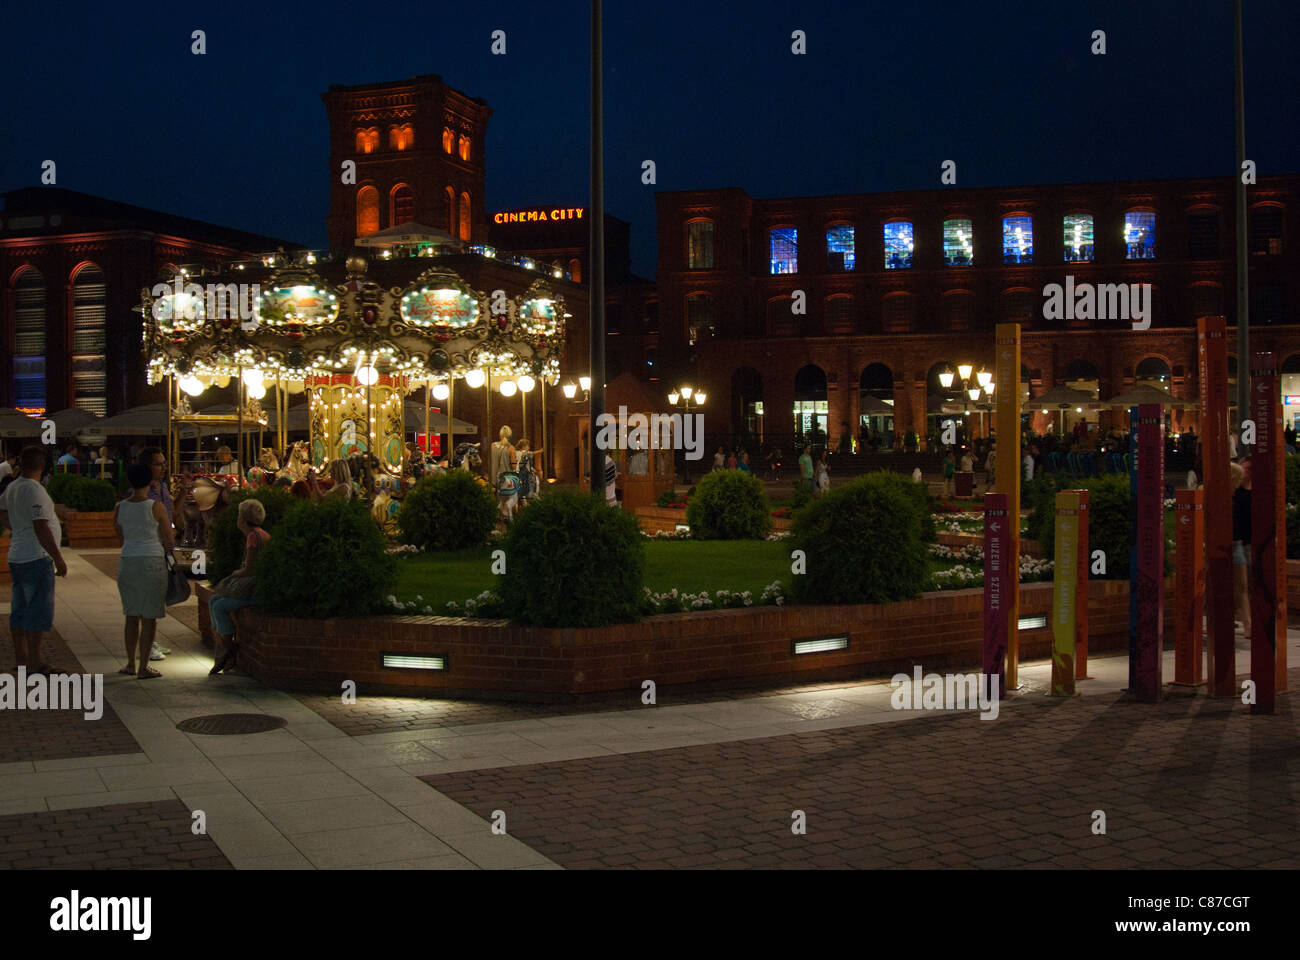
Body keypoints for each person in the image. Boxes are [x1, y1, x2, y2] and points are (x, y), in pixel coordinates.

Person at [0, 447, 68, 673]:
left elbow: (1, 512)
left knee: (20, 608)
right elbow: (41, 526)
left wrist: (17, 527)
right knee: (38, 610)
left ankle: (21, 658)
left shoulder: (13, 487)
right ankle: (34, 662)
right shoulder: (34, 490)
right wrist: (58, 558)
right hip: (36, 557)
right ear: (43, 466)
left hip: (18, 555)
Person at [114, 463, 175, 680]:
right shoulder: (156, 507)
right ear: (150, 481)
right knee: (149, 617)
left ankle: (131, 663)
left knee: (131, 615)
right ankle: (143, 667)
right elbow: (169, 538)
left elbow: (121, 538)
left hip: (128, 561)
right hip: (152, 561)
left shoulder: (120, 507)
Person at [208, 499, 271, 675]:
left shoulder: (253, 537)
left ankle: (229, 648)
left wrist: (235, 573)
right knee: (213, 599)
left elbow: (250, 570)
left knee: (219, 605)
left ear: (243, 519)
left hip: (252, 590)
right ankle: (223, 646)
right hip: (253, 587)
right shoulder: (261, 534)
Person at [1230, 460, 1251, 641]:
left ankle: (1248, 624)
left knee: (1242, 587)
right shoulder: (1219, 496)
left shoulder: (1240, 495)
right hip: (1221, 546)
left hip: (1236, 544)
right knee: (1210, 587)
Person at [491, 425, 517, 522]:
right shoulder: (511, 448)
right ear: (510, 435)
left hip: (494, 478)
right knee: (512, 496)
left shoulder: (493, 445)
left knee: (496, 499)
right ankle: (506, 516)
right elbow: (514, 466)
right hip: (506, 479)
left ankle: (497, 517)